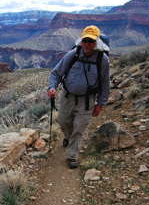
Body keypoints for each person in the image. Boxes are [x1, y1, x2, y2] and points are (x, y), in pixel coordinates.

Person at [47, 25, 110, 168]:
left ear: (96, 42)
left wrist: (100, 103)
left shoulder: (102, 59)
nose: (87, 44)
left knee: (79, 127)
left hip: (87, 101)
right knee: (63, 121)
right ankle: (67, 137)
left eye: (91, 41)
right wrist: (52, 87)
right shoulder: (73, 54)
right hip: (68, 97)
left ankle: (72, 155)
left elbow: (105, 83)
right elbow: (56, 74)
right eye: (85, 40)